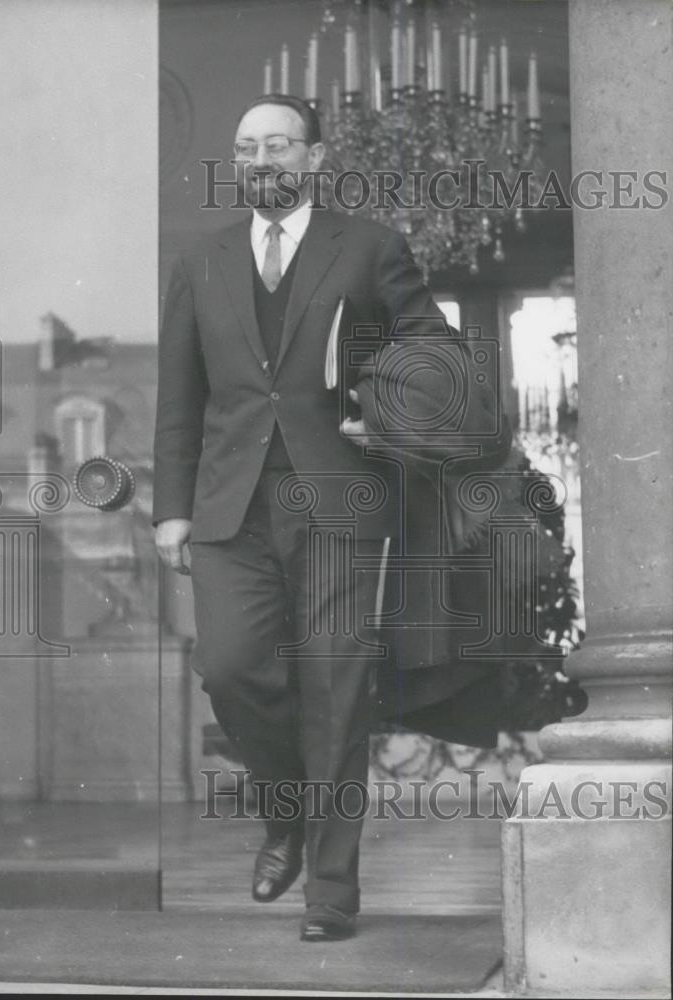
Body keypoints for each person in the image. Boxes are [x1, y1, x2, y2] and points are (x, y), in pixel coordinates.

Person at [153, 94, 499, 942]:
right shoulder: (199, 263)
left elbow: (440, 360)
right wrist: (170, 512)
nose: (261, 159)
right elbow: (178, 402)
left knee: (335, 690)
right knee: (231, 670)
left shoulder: (371, 248)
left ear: (312, 158)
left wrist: (385, 414)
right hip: (231, 507)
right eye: (246, 147)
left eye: (278, 144)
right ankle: (287, 816)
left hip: (343, 500)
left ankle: (331, 894)